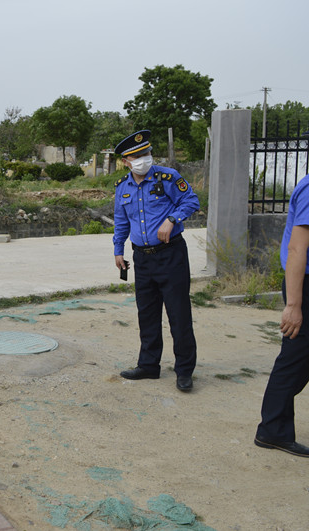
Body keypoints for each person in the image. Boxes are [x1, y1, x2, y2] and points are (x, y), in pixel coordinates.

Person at [112, 130, 200, 392]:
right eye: (137, 156)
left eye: (147, 153)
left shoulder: (168, 177)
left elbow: (191, 200)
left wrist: (172, 220)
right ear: (127, 162)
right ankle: (149, 365)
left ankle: (184, 371)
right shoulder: (122, 188)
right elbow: (121, 221)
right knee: (147, 314)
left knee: (178, 314)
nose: (144, 159)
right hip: (143, 258)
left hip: (171, 255)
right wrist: (119, 251)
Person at [254, 174, 309, 457]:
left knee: (299, 360)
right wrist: (294, 305)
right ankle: (272, 430)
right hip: (304, 287)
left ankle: (274, 426)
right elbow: (298, 248)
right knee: (295, 358)